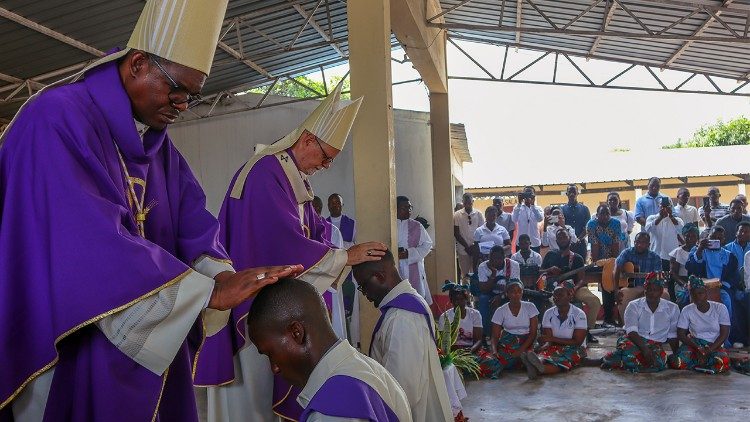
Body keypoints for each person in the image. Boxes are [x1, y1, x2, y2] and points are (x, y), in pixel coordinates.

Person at [0, 2, 303, 420]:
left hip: (145, 340)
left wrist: (223, 275)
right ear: (139, 63)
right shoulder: (54, 118)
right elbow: (84, 240)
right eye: (176, 89)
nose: (182, 104)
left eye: (192, 97)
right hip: (67, 336)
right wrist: (205, 292)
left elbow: (194, 222)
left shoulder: (159, 149)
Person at [198, 80, 388, 421]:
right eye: (327, 157)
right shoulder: (263, 172)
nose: (327, 166)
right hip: (252, 309)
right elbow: (280, 240)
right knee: (251, 403)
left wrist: (341, 254)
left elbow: (315, 233)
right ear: (308, 139)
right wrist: (345, 256)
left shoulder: (292, 177)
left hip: (273, 306)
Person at [247, 279, 412, 421]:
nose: (274, 367)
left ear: (296, 333)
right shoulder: (369, 369)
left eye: (270, 353)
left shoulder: (332, 408)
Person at [352, 250, 453, 421]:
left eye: (363, 286)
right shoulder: (407, 303)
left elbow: (402, 390)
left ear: (380, 276)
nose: (364, 293)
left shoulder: (402, 318)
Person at [602, 273, 679, 373]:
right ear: (644, 291)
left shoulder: (672, 308)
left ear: (661, 292)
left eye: (655, 290)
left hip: (656, 345)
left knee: (657, 363)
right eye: (649, 290)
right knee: (630, 352)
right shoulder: (633, 306)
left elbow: (672, 335)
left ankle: (614, 361)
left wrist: (676, 355)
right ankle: (620, 361)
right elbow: (631, 331)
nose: (651, 293)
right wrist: (644, 348)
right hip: (635, 341)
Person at [541, 229, 601, 343]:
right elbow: (540, 271)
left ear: (569, 238)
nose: (562, 239)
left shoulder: (577, 257)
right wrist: (549, 269)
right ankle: (555, 334)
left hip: (574, 288)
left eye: (564, 237)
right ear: (556, 240)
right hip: (555, 290)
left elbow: (581, 278)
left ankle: (586, 331)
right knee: (554, 303)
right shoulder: (550, 254)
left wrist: (575, 288)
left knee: (595, 301)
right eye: (559, 237)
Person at [521, 285, 588, 379]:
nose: (556, 298)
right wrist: (545, 345)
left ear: (570, 296)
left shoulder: (579, 314)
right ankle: (537, 363)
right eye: (554, 295)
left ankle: (539, 368)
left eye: (560, 295)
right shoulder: (548, 313)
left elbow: (577, 342)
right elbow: (549, 341)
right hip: (555, 346)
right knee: (543, 354)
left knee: (564, 360)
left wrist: (551, 339)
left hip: (576, 348)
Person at [476, 280, 539, 379]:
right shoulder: (501, 311)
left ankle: (525, 359)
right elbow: (495, 336)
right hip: (508, 342)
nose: (516, 294)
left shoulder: (530, 307)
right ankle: (524, 362)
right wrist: (494, 350)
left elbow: (533, 333)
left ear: (522, 292)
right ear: (507, 294)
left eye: (519, 291)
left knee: (525, 355)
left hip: (527, 341)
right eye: (513, 292)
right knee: (495, 361)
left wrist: (520, 350)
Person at [668, 277, 731, 374]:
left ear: (706, 293)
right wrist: (697, 348)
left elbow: (724, 334)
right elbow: (681, 334)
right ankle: (703, 363)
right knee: (677, 363)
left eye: (700, 293)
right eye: (693, 294)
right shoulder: (687, 310)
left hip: (714, 344)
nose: (697, 297)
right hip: (694, 344)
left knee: (722, 364)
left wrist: (709, 350)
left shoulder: (720, 308)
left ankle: (698, 363)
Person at [614, 232, 670, 323]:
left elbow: (657, 278)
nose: (639, 245)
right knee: (622, 295)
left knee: (665, 295)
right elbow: (617, 269)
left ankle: (657, 324)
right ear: (634, 242)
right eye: (637, 242)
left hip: (650, 288)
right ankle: (628, 326)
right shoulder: (627, 253)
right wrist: (616, 289)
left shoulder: (655, 257)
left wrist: (646, 291)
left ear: (648, 245)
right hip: (631, 288)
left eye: (643, 242)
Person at [396, 196, 434, 304]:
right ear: (396, 208)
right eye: (405, 207)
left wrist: (409, 253)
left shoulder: (417, 226)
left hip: (413, 267)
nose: (409, 210)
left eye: (410, 207)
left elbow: (427, 245)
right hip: (395, 266)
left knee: (416, 299)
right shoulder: (390, 225)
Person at [475, 246, 521, 336]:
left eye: (498, 258)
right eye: (492, 258)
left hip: (508, 294)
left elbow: (515, 286)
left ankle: (514, 334)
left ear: (504, 257)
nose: (495, 261)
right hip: (489, 294)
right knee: (483, 299)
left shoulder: (513, 265)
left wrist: (501, 297)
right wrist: (493, 274)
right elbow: (484, 289)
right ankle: (485, 334)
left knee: (515, 298)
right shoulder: (483, 266)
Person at [645, 198, 684, 300]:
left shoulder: (677, 219)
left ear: (671, 207)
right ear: (659, 206)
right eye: (662, 206)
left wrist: (670, 216)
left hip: (671, 257)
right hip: (655, 256)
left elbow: (680, 229)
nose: (664, 208)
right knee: (655, 283)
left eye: (667, 206)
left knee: (671, 283)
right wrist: (660, 217)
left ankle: (672, 304)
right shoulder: (652, 218)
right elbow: (648, 229)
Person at [438, 282, 483, 354]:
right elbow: (443, 342)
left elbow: (478, 340)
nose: (459, 302)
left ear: (466, 300)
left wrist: (471, 350)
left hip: (472, 350)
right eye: (456, 299)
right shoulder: (444, 317)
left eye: (462, 299)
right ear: (451, 301)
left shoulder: (475, 314)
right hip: (452, 353)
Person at [669, 224, 700, 307]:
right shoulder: (677, 252)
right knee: (684, 296)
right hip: (681, 282)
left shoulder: (701, 251)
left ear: (697, 238)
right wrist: (684, 284)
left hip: (699, 281)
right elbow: (673, 273)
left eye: (693, 236)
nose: (690, 238)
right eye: (687, 236)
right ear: (683, 236)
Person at [454, 193, 484, 277]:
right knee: (465, 275)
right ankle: (465, 290)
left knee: (476, 274)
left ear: (473, 201)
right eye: (465, 203)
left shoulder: (478, 214)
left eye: (469, 203)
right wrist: (467, 247)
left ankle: (475, 290)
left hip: (476, 249)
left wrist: (474, 246)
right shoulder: (457, 215)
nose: (467, 205)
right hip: (463, 250)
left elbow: (482, 231)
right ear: (463, 202)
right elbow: (456, 233)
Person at [562, 185, 591, 260]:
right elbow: (561, 227)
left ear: (577, 193)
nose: (572, 194)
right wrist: (571, 240)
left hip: (581, 245)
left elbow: (587, 227)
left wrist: (578, 239)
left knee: (581, 267)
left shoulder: (585, 209)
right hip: (566, 246)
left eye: (574, 192)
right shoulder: (561, 210)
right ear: (566, 194)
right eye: (570, 192)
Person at [512, 187, 544, 253]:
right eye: (526, 193)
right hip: (521, 243)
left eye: (530, 194)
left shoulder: (538, 208)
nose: (528, 196)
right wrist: (519, 203)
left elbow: (540, 219)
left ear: (534, 195)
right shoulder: (518, 207)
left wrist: (533, 205)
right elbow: (514, 219)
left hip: (534, 242)